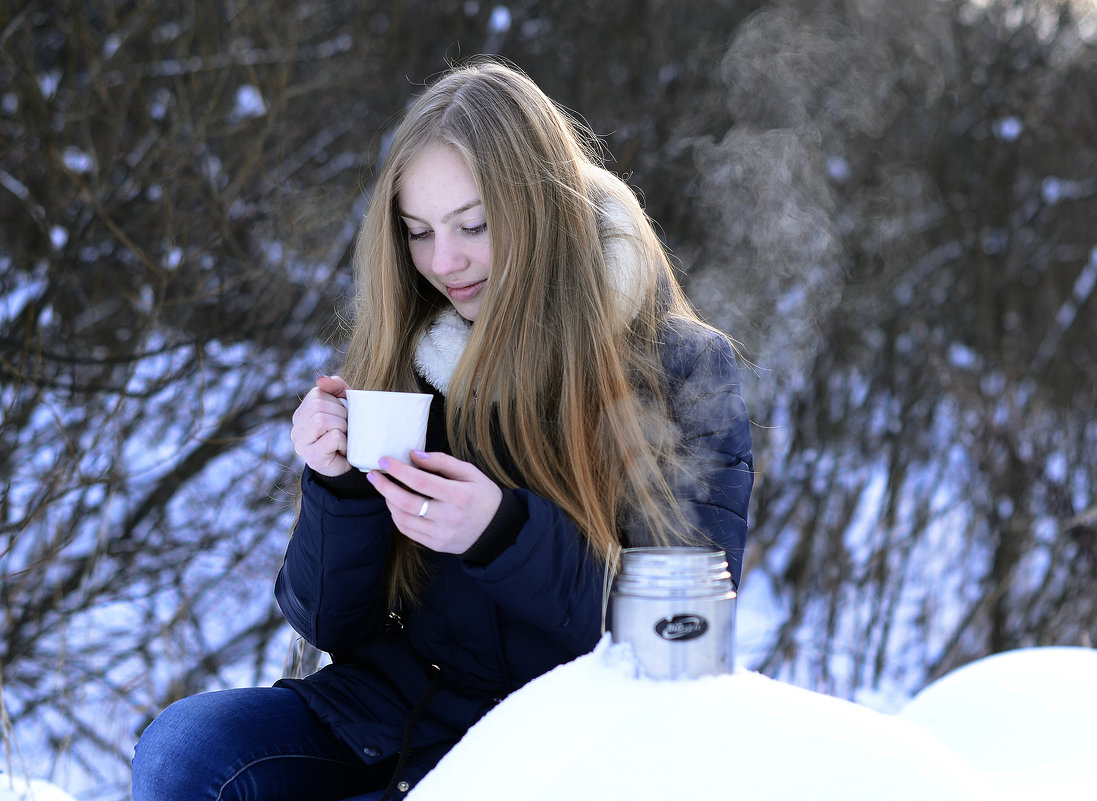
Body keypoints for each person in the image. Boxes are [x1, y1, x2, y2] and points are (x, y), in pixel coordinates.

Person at [131, 58, 753, 801]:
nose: (443, 262)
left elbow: (679, 635)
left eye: (474, 225)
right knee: (184, 750)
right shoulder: (412, 348)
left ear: (543, 209)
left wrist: (502, 533)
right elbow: (328, 621)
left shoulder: (676, 368)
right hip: (390, 713)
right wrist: (338, 487)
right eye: (418, 232)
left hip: (549, 742)